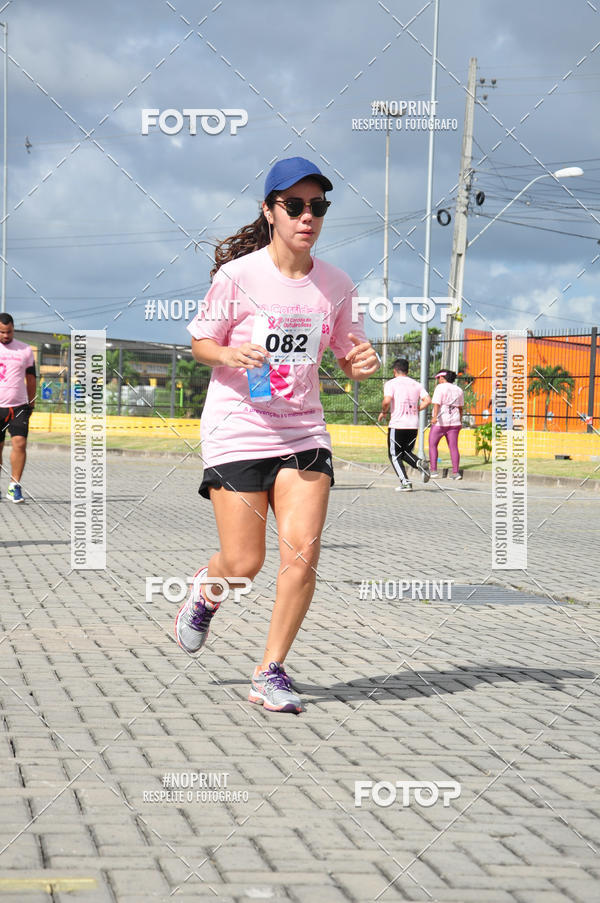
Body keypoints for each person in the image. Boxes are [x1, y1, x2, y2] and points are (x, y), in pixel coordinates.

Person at [175, 156, 379, 714]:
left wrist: (360, 363)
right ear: (270, 211)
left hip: (304, 432)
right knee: (245, 563)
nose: (307, 215)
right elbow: (200, 345)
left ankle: (271, 671)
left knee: (303, 556)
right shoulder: (237, 278)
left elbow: (348, 349)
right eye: (294, 205)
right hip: (238, 429)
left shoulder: (336, 284)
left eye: (317, 206)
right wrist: (228, 352)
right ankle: (206, 592)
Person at [378, 358, 431, 491]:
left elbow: (386, 400)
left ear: (394, 371)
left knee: (394, 454)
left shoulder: (391, 383)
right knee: (405, 452)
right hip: (413, 425)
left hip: (398, 424)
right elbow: (428, 400)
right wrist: (417, 409)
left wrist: (384, 412)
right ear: (407, 370)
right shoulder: (416, 384)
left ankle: (405, 482)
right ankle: (419, 463)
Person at [0, 313, 37, 502]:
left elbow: (31, 378)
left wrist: (31, 402)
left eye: (9, 332)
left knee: (20, 443)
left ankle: (14, 486)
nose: (6, 335)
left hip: (19, 405)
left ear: (14, 329)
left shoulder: (25, 350)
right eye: (2, 332)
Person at [428, 369, 464, 479]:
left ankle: (433, 471)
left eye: (438, 378)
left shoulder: (440, 388)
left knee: (432, 444)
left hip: (440, 422)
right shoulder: (459, 389)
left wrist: (434, 417)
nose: (438, 380)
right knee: (453, 447)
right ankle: (455, 473)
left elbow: (436, 404)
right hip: (455, 421)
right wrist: (460, 420)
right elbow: (461, 408)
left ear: (442, 378)